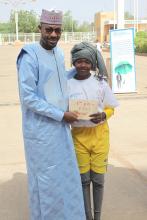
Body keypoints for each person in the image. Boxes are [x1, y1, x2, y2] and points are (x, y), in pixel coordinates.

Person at [16, 9, 86, 220]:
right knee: (46, 182)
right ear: (40, 29)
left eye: (57, 30)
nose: (53, 35)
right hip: (41, 133)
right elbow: (28, 97)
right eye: (49, 30)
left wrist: (78, 70)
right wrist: (61, 115)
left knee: (64, 178)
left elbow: (55, 82)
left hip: (60, 129)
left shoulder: (59, 53)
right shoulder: (29, 56)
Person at [68, 42, 119, 220]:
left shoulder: (100, 83)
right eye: (79, 61)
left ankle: (97, 217)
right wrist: (67, 115)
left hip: (99, 136)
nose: (82, 65)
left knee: (98, 180)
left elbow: (111, 108)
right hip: (78, 137)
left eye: (87, 62)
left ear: (92, 63)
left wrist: (104, 115)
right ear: (73, 63)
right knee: (83, 181)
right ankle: (87, 216)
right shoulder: (68, 84)